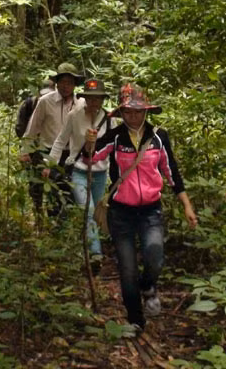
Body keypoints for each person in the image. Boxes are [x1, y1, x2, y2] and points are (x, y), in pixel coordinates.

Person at [84, 83, 198, 331]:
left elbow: (172, 173)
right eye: (128, 112)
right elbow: (91, 158)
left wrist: (186, 206)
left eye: (138, 111)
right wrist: (89, 143)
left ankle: (148, 285)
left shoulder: (158, 137)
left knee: (155, 257)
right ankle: (135, 320)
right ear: (121, 113)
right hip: (121, 212)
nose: (133, 116)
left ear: (146, 111)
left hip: (150, 211)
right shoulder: (115, 137)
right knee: (127, 269)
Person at [48, 78, 113, 271]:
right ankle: (96, 254)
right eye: (90, 98)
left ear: (102, 100)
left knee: (99, 214)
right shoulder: (74, 115)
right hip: (79, 171)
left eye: (98, 98)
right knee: (89, 211)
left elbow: (115, 146)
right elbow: (60, 141)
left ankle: (92, 244)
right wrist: (50, 165)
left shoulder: (109, 119)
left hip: (100, 173)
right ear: (85, 98)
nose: (94, 102)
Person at [20, 62, 85, 221]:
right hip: (47, 152)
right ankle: (47, 223)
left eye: (70, 83)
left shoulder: (81, 103)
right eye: (62, 82)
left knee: (69, 191)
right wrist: (25, 151)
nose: (66, 86)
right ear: (56, 83)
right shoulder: (45, 101)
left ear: (75, 84)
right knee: (49, 191)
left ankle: (65, 226)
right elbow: (33, 126)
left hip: (70, 154)